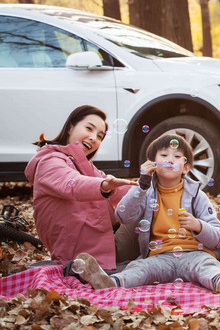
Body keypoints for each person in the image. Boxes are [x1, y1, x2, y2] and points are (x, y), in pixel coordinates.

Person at [75, 133, 220, 293]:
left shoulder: (196, 196)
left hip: (196, 253)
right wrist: (142, 183)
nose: (170, 159)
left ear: (186, 168)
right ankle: (110, 282)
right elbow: (123, 215)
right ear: (153, 164)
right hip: (159, 256)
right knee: (138, 268)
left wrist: (198, 226)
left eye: (177, 156)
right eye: (163, 155)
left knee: (207, 266)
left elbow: (218, 237)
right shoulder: (146, 193)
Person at [24, 105, 139, 272]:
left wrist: (148, 187)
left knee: (150, 200)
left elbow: (120, 190)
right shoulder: (49, 162)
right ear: (70, 127)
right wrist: (104, 185)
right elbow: (73, 184)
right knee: (149, 211)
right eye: (89, 128)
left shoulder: (85, 167)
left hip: (101, 243)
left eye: (99, 136)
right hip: (86, 252)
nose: (93, 138)